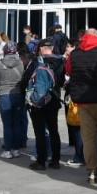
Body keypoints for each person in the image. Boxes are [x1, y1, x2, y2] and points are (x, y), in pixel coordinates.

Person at [66, 28, 97, 187]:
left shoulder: (75, 53)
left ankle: (92, 171)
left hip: (83, 101)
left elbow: (69, 71)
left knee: (88, 138)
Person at [26, 38, 63, 169]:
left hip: (39, 101)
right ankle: (56, 160)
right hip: (53, 99)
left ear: (41, 48)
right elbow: (62, 81)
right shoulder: (60, 61)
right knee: (54, 130)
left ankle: (41, 160)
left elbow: (27, 78)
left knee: (40, 132)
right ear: (52, 48)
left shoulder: (36, 62)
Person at [0, 41, 28, 158]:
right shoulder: (20, 63)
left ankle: (7, 150)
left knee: (7, 124)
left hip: (4, 95)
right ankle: (16, 149)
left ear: (5, 51)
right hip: (18, 94)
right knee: (17, 123)